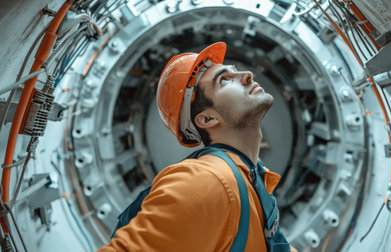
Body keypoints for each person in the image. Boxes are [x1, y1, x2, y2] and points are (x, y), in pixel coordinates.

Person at [97, 42, 297, 252]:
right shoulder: (206, 180)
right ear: (207, 119)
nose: (247, 75)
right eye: (225, 80)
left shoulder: (253, 181)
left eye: (235, 71)